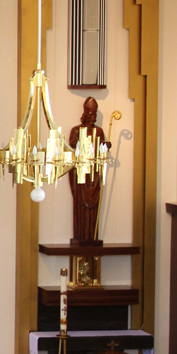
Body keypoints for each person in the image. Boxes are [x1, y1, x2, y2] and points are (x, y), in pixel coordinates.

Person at [69, 97, 111, 244]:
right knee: (80, 204)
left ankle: (92, 236)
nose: (92, 117)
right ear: (85, 114)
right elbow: (72, 145)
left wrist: (105, 145)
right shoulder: (76, 130)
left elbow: (100, 149)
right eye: (90, 114)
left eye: (94, 115)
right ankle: (80, 235)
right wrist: (82, 142)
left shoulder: (99, 131)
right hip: (81, 172)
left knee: (93, 206)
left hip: (94, 172)